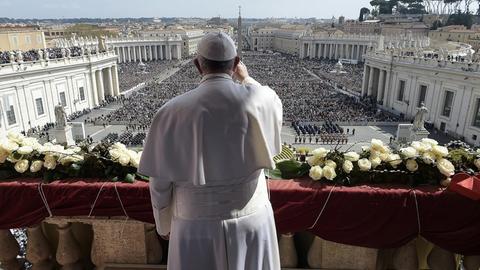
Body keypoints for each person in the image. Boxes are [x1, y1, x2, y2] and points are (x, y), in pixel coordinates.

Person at [139, 32, 282, 270]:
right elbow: (273, 102)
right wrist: (246, 79)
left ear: (197, 65)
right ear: (236, 63)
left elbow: (159, 183)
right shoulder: (261, 100)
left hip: (195, 225)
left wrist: (163, 225)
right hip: (252, 219)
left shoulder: (171, 111)